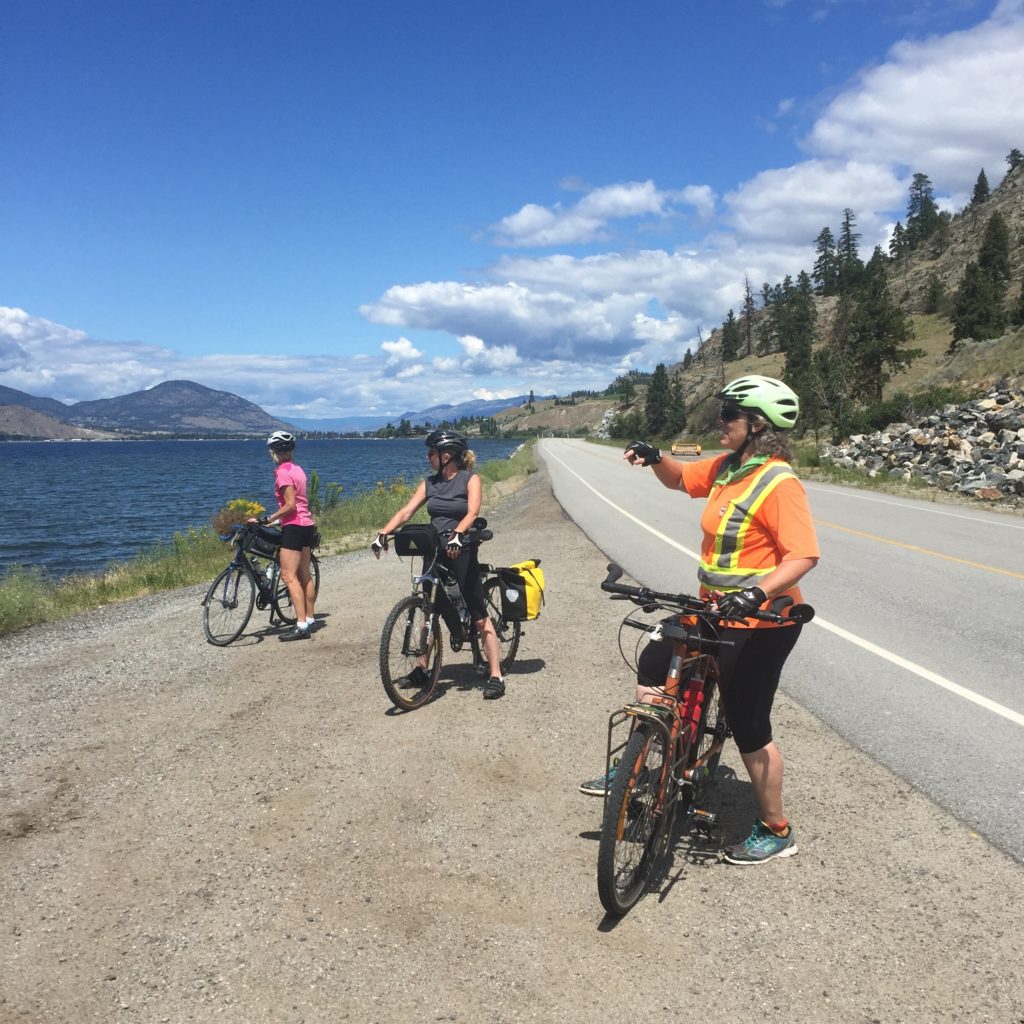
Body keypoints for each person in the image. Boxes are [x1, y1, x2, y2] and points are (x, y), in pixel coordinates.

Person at [579, 374, 820, 865]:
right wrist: (653, 457)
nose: (720, 420)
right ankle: (644, 761)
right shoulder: (730, 468)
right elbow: (680, 478)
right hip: (713, 608)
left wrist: (755, 592)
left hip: (764, 621)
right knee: (655, 661)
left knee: (748, 721)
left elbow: (804, 556)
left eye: (730, 414)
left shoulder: (778, 481)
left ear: (757, 424)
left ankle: (776, 829)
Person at [371, 430, 506, 699]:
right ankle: (423, 667)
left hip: (461, 549)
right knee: (428, 610)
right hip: (434, 550)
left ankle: (496, 675)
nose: (428, 457)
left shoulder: (470, 479)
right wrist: (383, 533)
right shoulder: (429, 483)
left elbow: (473, 512)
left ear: (448, 456)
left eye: (432, 452)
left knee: (479, 616)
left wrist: (458, 534)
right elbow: (407, 511)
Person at [253, 431, 319, 641]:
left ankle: (300, 626)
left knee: (288, 576)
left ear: (273, 451)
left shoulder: (282, 472)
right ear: (290, 450)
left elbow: (290, 505)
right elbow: (300, 502)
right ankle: (309, 619)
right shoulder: (298, 469)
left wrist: (267, 519)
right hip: (307, 524)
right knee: (305, 575)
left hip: (294, 526)